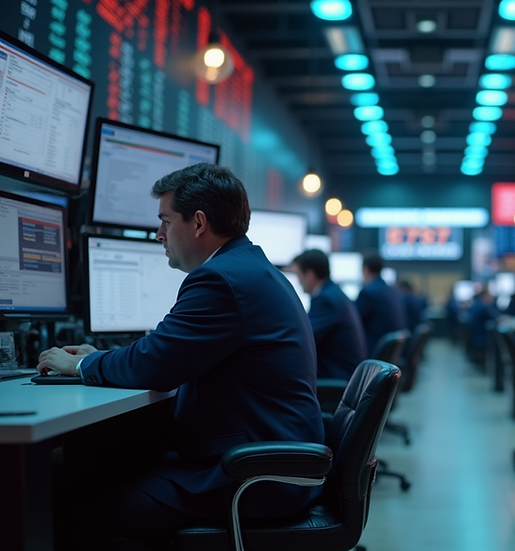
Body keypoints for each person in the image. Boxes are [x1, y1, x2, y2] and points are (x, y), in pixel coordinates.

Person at [36, 163, 325, 550]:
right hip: (262, 459)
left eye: (165, 221)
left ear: (199, 223)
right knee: (92, 472)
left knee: (74, 510)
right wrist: (103, 357)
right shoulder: (250, 268)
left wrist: (81, 364)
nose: (159, 235)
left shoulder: (221, 279)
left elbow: (154, 364)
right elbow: (168, 352)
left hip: (251, 476)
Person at [290, 249, 368, 381]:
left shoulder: (325, 300)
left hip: (337, 378)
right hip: (346, 375)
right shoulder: (334, 293)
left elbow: (305, 338)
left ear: (309, 274)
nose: (298, 282)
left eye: (298, 275)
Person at [356, 251, 407, 356]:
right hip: (390, 356)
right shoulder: (391, 291)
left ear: (365, 268)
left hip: (373, 355)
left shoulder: (368, 292)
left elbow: (353, 321)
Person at [467, 286, 500, 365]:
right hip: (482, 337)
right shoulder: (482, 307)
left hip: (476, 336)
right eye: (489, 296)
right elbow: (497, 318)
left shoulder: (476, 304)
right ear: (484, 296)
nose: (491, 298)